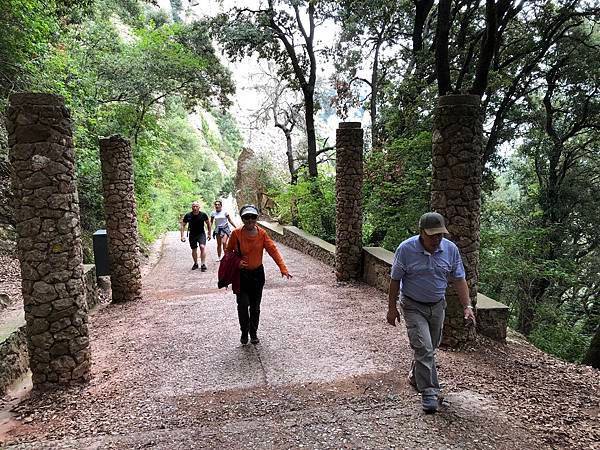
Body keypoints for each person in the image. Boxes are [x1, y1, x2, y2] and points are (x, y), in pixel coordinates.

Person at [387, 212, 476, 413]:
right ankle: (429, 392)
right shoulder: (406, 249)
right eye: (432, 235)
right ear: (421, 233)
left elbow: (459, 279)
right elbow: (395, 280)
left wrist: (467, 306)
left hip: (437, 305)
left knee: (431, 346)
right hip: (412, 305)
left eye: (440, 235)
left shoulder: (450, 250)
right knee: (425, 348)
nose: (437, 239)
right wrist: (391, 308)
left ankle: (415, 373)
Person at [226, 204, 292, 345]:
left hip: (257, 275)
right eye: (246, 217)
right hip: (241, 276)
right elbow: (228, 252)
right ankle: (244, 331)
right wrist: (237, 263)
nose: (250, 220)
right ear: (242, 218)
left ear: (256, 218)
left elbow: (273, 250)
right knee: (243, 305)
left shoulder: (262, 234)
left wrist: (283, 268)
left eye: (253, 217)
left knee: (255, 307)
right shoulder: (236, 234)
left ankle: (253, 332)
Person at [180, 201, 211, 271]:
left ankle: (203, 264)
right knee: (194, 249)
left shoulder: (203, 215)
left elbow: (208, 224)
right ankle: (196, 263)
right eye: (193, 206)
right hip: (192, 234)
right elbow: (183, 225)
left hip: (201, 234)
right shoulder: (188, 215)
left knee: (202, 247)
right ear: (191, 207)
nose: (195, 208)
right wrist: (182, 236)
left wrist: (209, 234)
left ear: (199, 207)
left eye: (196, 206)